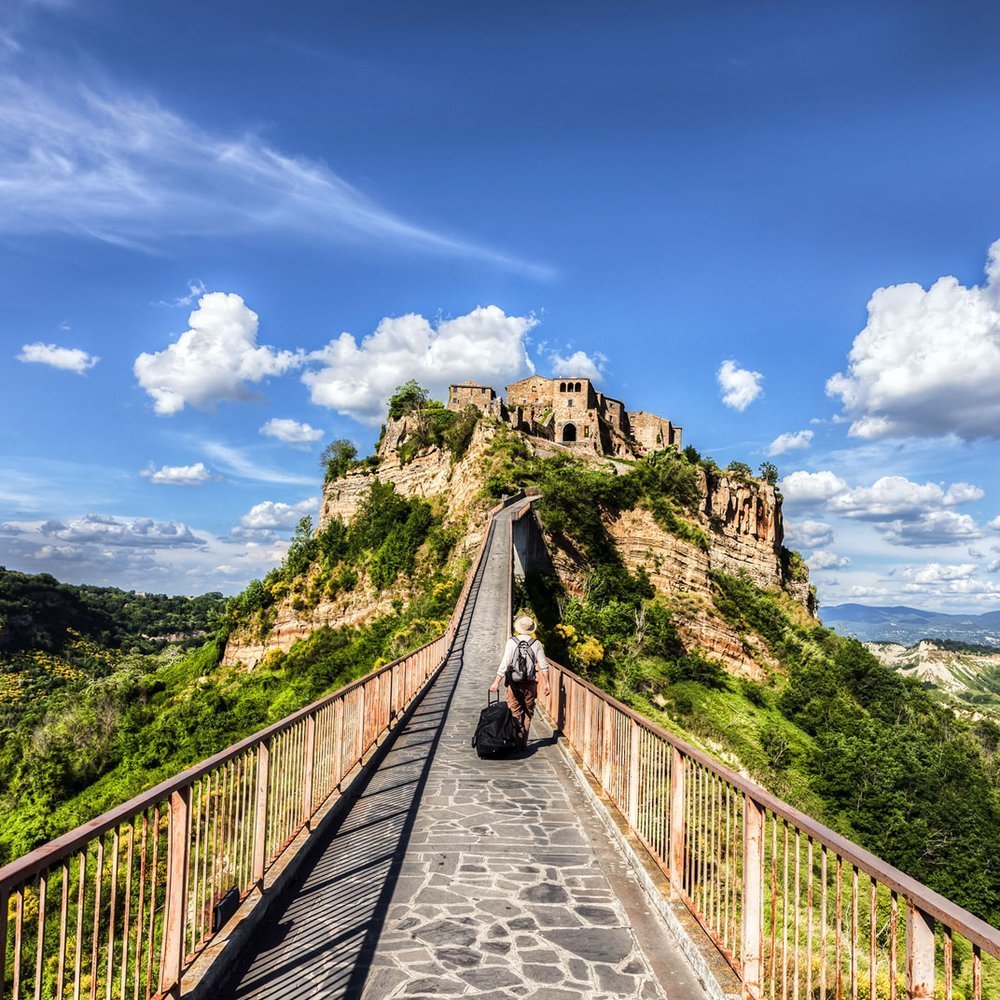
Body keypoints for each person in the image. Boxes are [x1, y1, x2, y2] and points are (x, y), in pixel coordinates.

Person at [489, 614, 550, 745]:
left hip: (513, 683)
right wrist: (547, 683)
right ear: (531, 629)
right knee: (528, 712)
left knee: (514, 711)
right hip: (530, 683)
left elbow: (505, 663)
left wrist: (496, 682)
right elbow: (544, 665)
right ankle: (523, 743)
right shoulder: (536, 644)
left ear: (518, 628)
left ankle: (514, 740)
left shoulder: (512, 642)